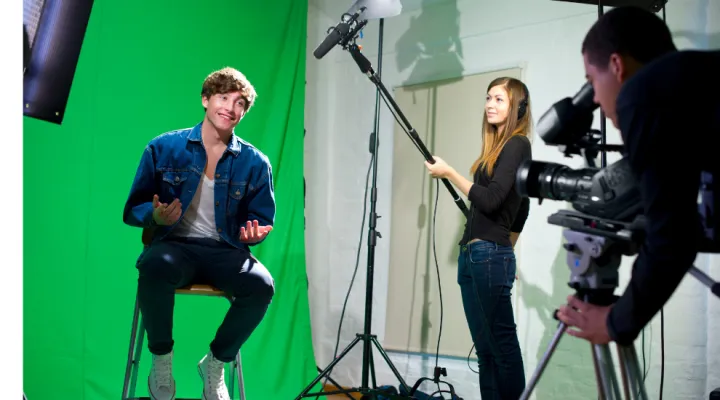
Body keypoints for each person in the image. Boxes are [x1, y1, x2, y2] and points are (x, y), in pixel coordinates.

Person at [556, 6, 720, 347]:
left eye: (592, 83)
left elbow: (673, 239)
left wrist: (616, 322)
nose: (597, 100)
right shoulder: (698, 81)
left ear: (617, 66)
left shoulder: (643, 93)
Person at [122, 67, 276, 400]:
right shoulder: (163, 148)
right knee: (153, 266)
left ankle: (216, 363)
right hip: (175, 247)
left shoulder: (255, 162)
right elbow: (133, 209)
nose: (231, 108)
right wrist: (156, 217)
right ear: (206, 100)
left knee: (261, 285)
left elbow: (262, 217)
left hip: (226, 252)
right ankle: (161, 359)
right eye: (223, 98)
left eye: (240, 104)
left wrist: (254, 234)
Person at [425, 76, 533, 400]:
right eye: (488, 98)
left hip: (488, 257)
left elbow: (491, 200)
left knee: (502, 348)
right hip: (473, 258)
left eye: (499, 99)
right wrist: (505, 247)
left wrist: (449, 173)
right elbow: (522, 206)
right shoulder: (496, 151)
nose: (490, 104)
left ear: (517, 107)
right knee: (485, 352)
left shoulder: (518, 144)